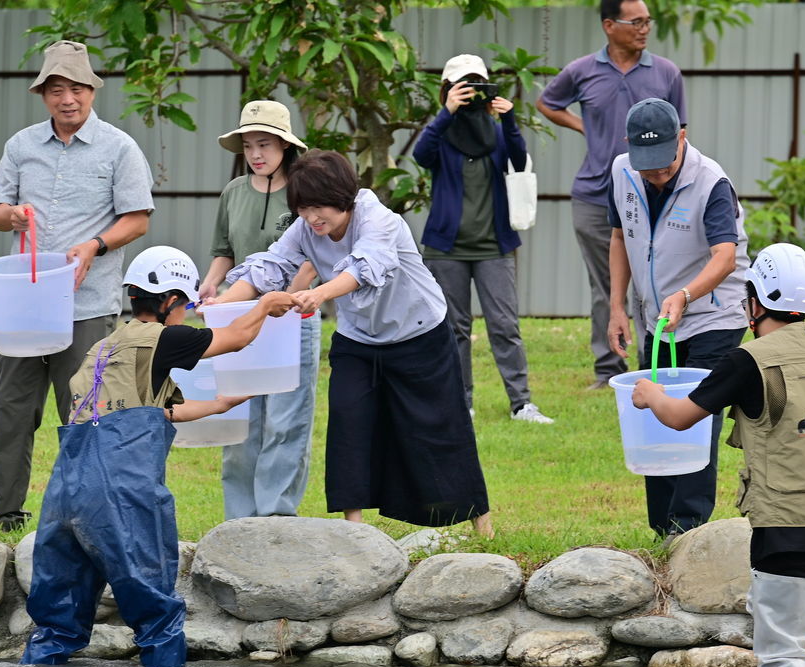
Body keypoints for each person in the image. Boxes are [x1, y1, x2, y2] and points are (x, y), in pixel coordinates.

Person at [21, 246, 296, 667]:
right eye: (184, 304)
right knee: (155, 613)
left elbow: (154, 412)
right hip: (121, 488)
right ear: (169, 301)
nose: (185, 313)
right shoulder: (165, 338)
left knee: (57, 621)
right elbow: (238, 337)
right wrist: (266, 303)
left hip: (67, 491)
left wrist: (219, 405)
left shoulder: (105, 347)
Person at [214, 150, 493, 536]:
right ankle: (355, 534)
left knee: (441, 429)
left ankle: (483, 526)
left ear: (343, 196)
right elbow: (270, 267)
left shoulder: (379, 220)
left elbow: (365, 266)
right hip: (358, 338)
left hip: (419, 333)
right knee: (349, 425)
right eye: (304, 208)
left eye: (319, 207)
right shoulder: (304, 229)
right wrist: (221, 305)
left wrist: (320, 294)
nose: (312, 218)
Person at [632, 244, 805, 667]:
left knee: (781, 659)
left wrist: (650, 395)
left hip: (788, 526)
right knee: (774, 607)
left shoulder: (748, 360)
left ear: (755, 302)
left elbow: (681, 418)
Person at [0, 40, 155, 532]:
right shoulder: (21, 146)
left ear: (92, 91)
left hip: (87, 304)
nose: (68, 99)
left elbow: (138, 219)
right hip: (24, 308)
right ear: (43, 94)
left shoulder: (119, 147)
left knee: (83, 413)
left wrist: (94, 245)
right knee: (11, 411)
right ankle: (5, 517)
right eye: (57, 89)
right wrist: (12, 215)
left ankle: (83, 517)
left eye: (78, 88)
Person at [606, 98, 749, 538]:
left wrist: (686, 295)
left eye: (664, 166)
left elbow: (725, 257)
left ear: (682, 138)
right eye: (647, 165)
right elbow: (618, 235)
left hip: (712, 317)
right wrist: (616, 306)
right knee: (653, 411)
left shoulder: (711, 183)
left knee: (695, 415)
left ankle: (687, 529)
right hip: (658, 319)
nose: (655, 174)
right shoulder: (621, 171)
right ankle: (661, 526)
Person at [538, 0, 686, 390]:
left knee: (652, 282)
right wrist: (584, 126)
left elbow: (681, 134)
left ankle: (649, 367)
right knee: (606, 287)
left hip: (652, 196)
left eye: (647, 21)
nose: (644, 28)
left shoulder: (666, 73)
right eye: (636, 21)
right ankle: (608, 372)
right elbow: (547, 103)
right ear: (609, 25)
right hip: (592, 195)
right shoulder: (582, 71)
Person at [198, 100, 321, 520]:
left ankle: (276, 517)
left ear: (285, 146)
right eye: (248, 145)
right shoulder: (234, 192)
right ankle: (239, 520)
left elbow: (312, 258)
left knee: (286, 421)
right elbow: (223, 253)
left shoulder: (304, 191)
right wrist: (213, 283)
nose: (255, 154)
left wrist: (286, 299)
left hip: (295, 315)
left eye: (264, 144)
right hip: (238, 317)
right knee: (239, 415)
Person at [414, 54, 553, 424]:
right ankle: (461, 402)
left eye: (477, 85)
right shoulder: (441, 133)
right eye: (463, 86)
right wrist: (446, 112)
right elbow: (420, 155)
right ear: (448, 89)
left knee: (505, 326)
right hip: (447, 248)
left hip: (495, 245)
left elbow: (520, 161)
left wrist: (507, 119)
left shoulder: (495, 131)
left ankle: (521, 403)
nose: (471, 93)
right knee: (453, 329)